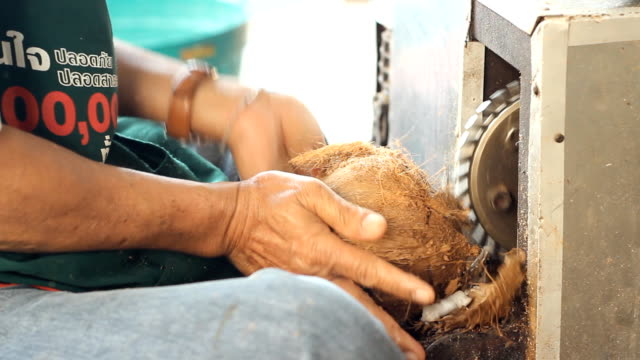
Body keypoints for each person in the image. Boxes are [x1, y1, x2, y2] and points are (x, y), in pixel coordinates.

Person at [0, 1, 433, 359]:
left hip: (64, 154)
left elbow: (35, 33)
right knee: (310, 331)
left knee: (296, 172)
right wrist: (235, 220)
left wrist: (201, 98)